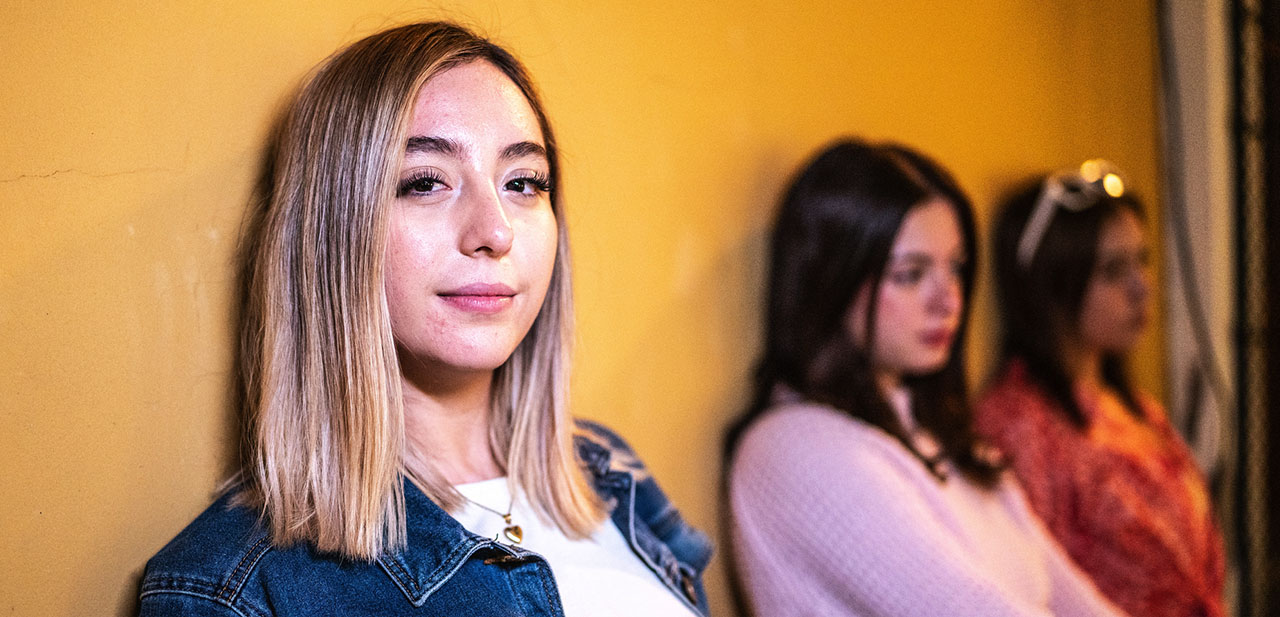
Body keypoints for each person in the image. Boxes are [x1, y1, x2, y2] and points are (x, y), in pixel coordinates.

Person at [137, 21, 710, 617]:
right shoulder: (235, 589)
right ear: (332, 232)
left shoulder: (609, 471)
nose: (494, 231)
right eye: (425, 183)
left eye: (524, 182)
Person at [726, 139, 1127, 617]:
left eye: (955, 269)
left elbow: (1073, 596)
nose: (949, 300)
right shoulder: (793, 448)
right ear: (833, 278)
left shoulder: (943, 435)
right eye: (912, 274)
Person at [976, 161, 1224, 617]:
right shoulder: (1019, 425)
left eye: (1142, 261)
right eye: (1112, 271)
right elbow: (1028, 589)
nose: (1141, 287)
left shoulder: (1133, 406)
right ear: (1052, 286)